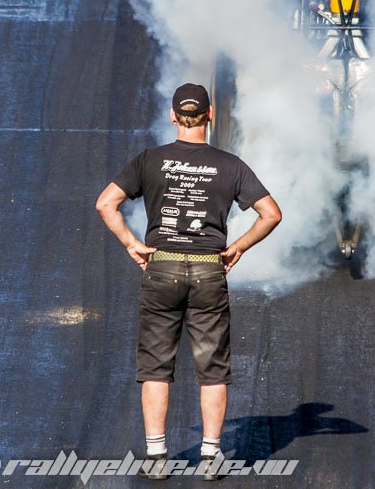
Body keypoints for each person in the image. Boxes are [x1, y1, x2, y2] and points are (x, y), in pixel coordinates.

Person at [95, 83, 282, 481]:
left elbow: (105, 203)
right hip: (209, 270)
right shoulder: (230, 165)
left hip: (160, 267)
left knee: (156, 367)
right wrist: (239, 248)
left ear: (173, 116)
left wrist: (131, 243)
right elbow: (271, 213)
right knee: (213, 369)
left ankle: (157, 457)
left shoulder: (150, 160)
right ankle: (212, 458)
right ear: (210, 115)